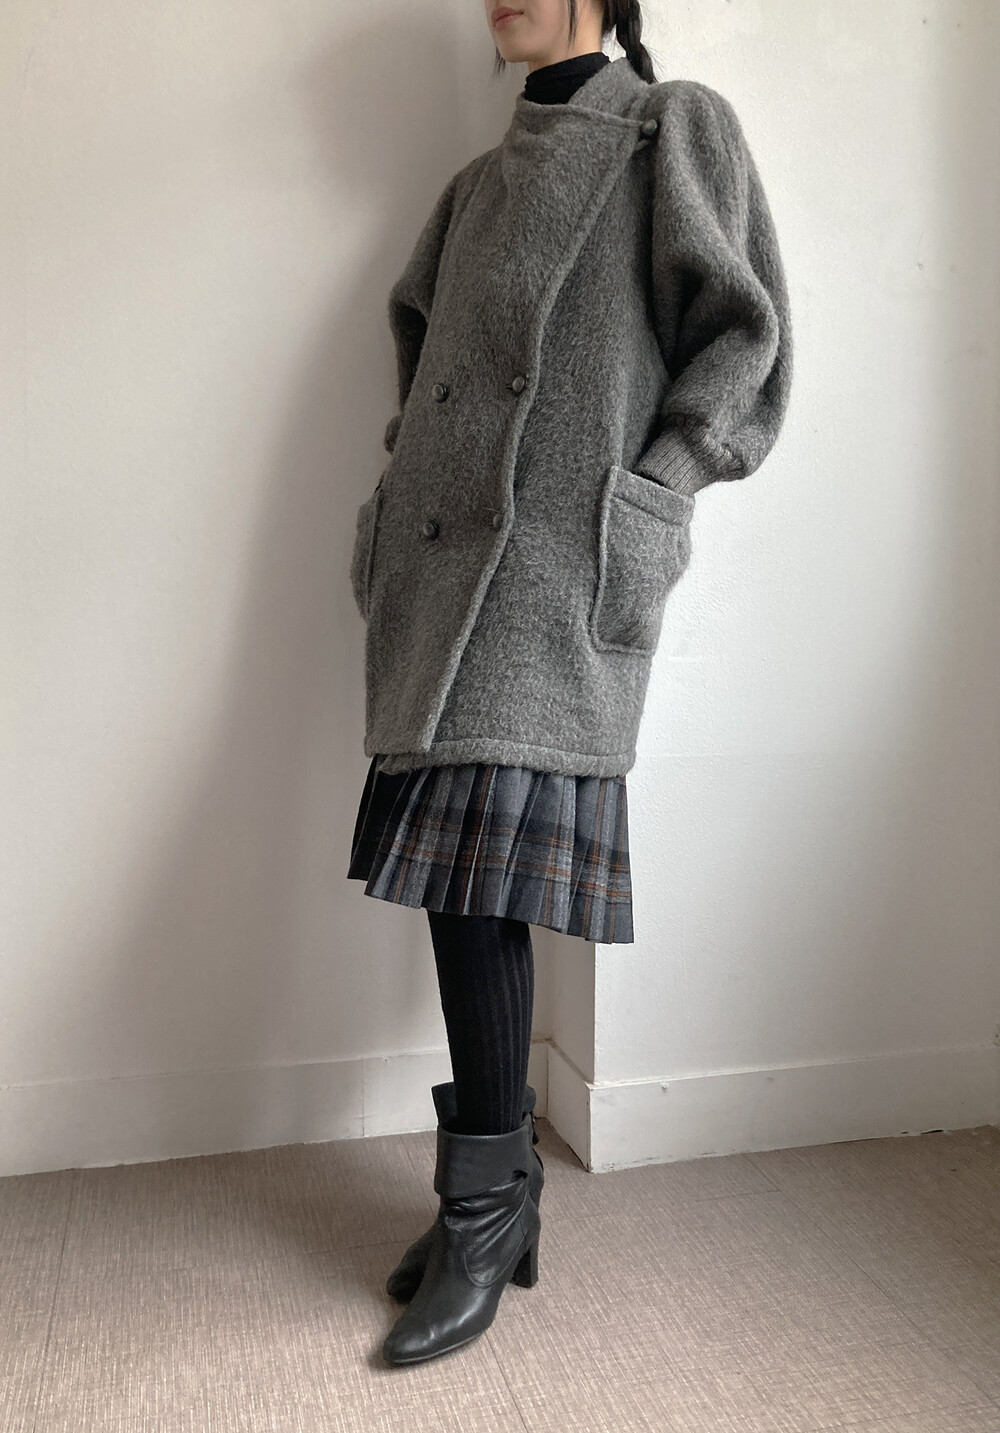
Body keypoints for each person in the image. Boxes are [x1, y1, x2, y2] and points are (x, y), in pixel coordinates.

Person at [347, 0, 793, 1368]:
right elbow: (424, 377)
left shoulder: (670, 129)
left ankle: (485, 1215)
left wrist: (657, 491)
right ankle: (495, 1203)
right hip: (440, 575)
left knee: (481, 883)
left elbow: (745, 335)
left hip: (555, 566)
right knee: (457, 886)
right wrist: (389, 508)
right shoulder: (472, 189)